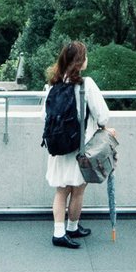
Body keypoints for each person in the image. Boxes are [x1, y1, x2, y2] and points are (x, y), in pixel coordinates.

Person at [42, 40, 117, 249]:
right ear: (80, 61)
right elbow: (103, 115)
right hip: (80, 148)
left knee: (61, 191)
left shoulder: (52, 85)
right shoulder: (86, 84)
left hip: (58, 148)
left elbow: (44, 117)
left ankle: (59, 232)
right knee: (78, 190)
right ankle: (72, 227)